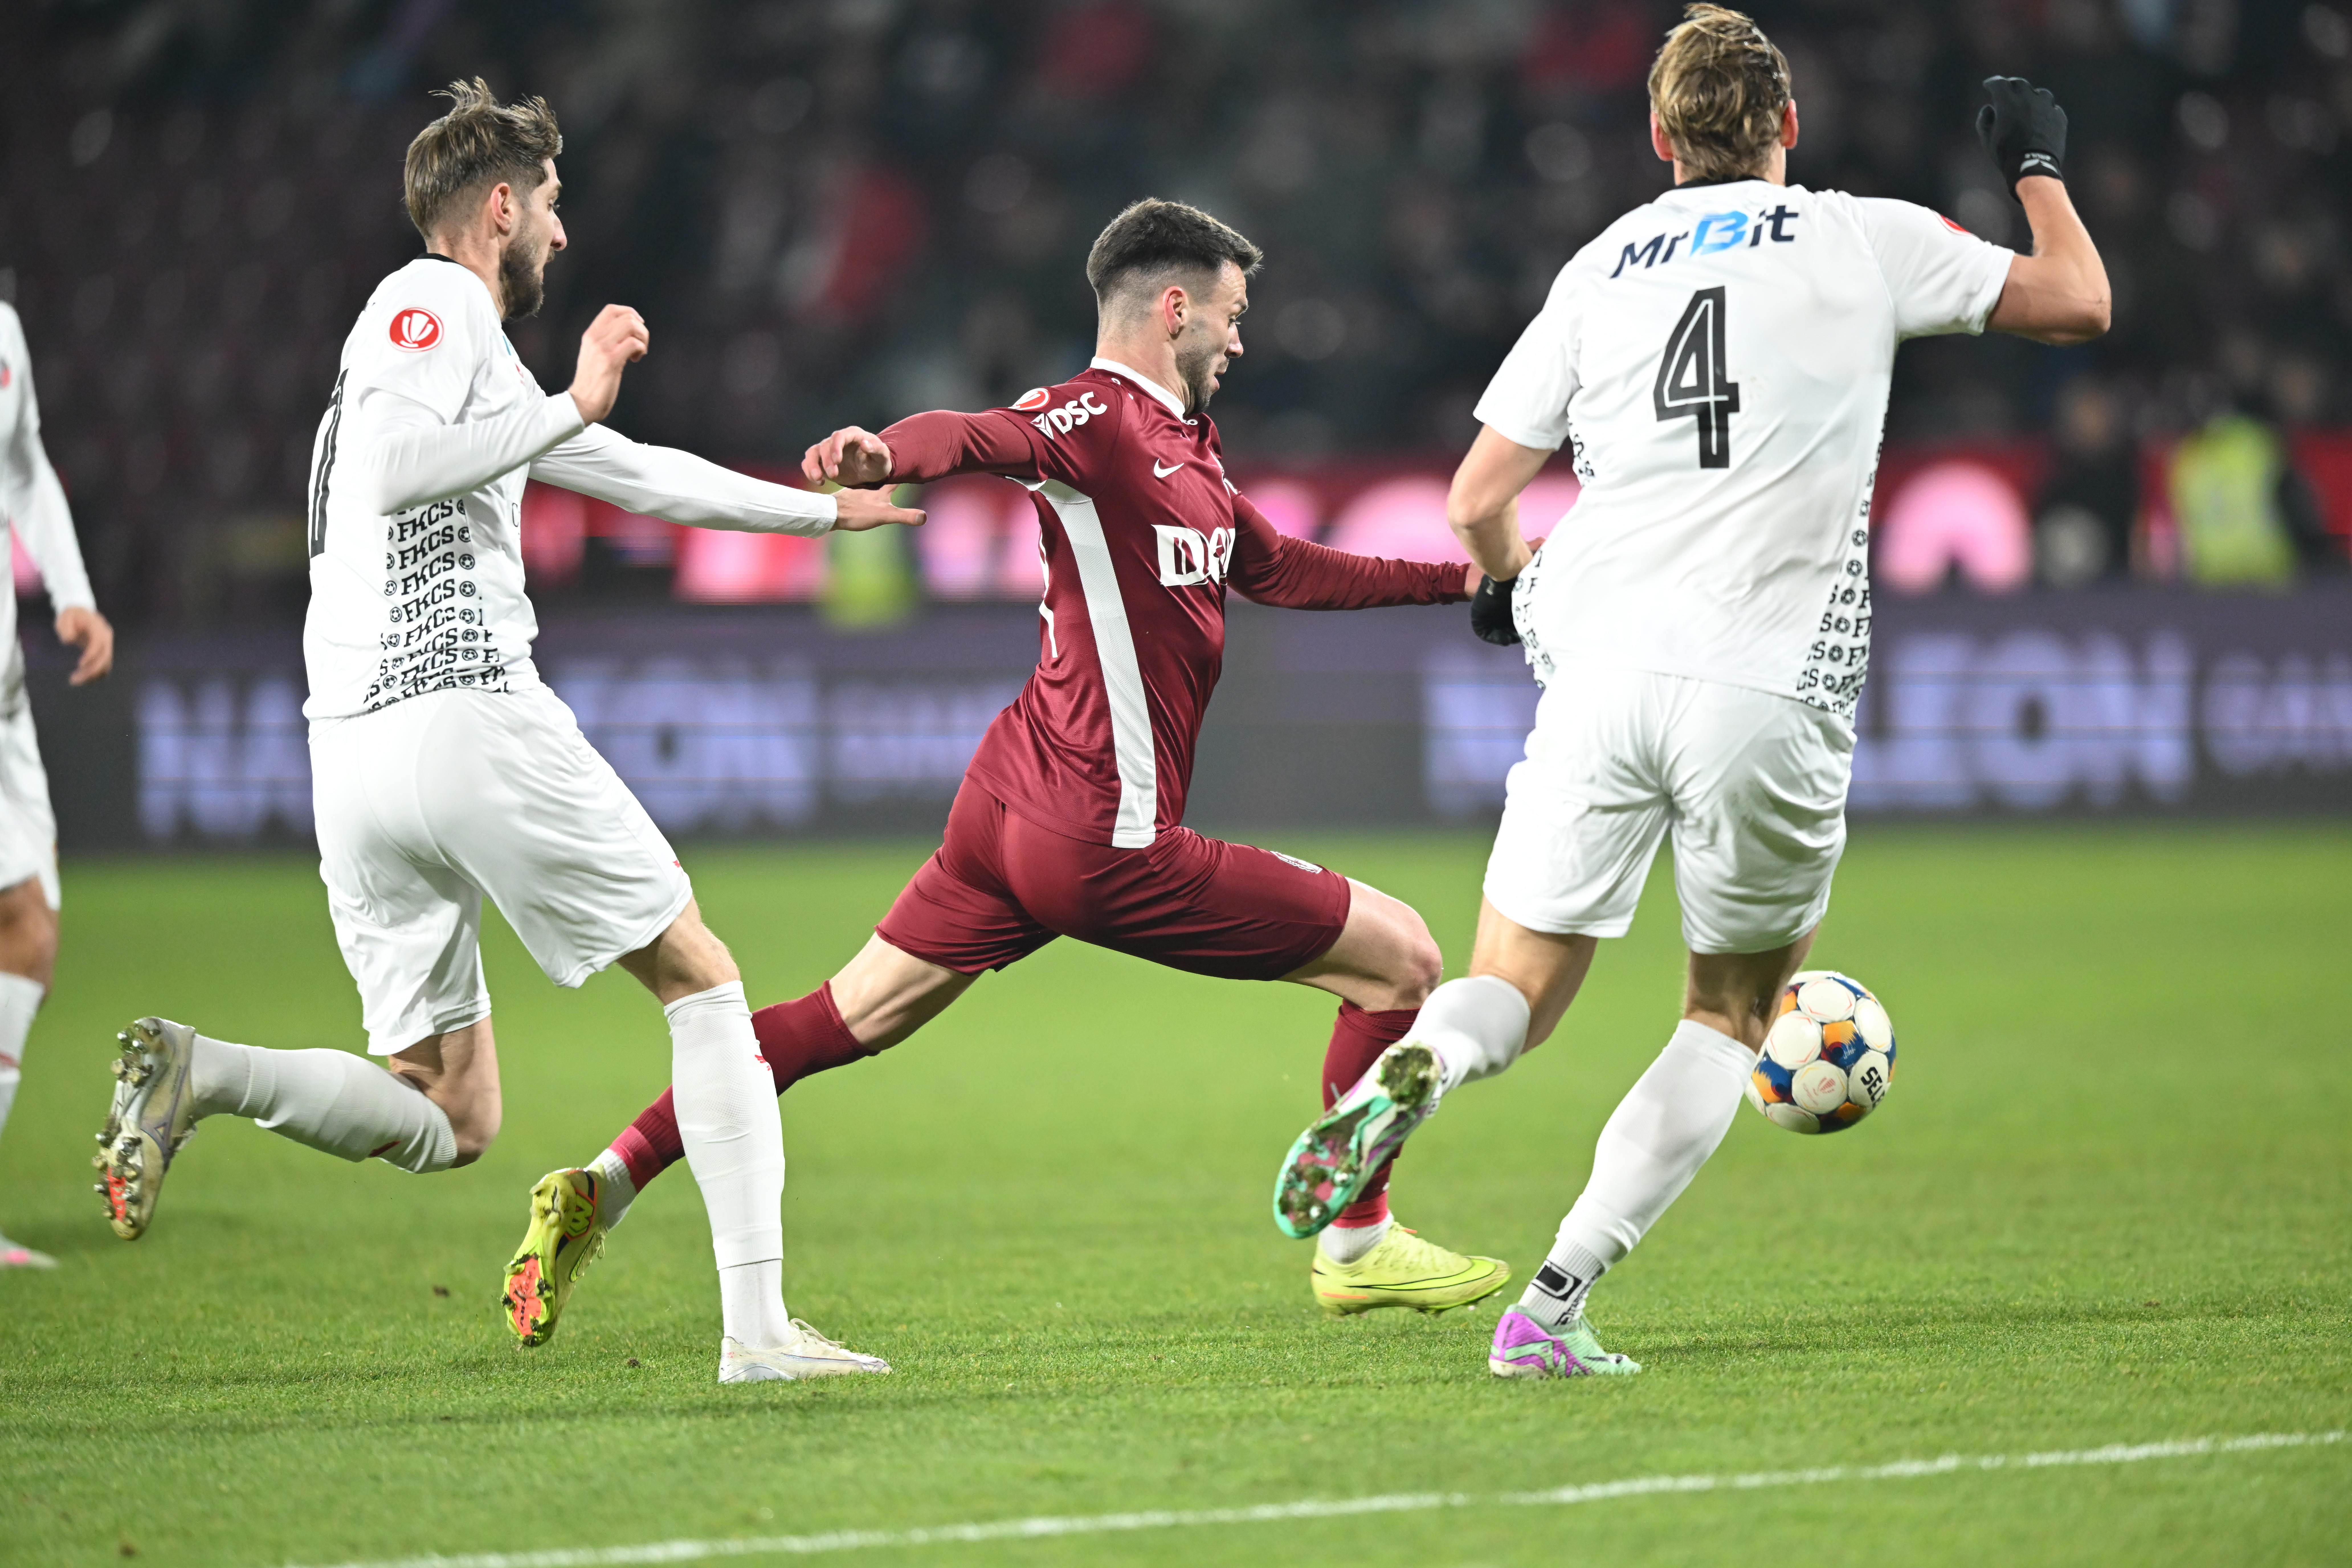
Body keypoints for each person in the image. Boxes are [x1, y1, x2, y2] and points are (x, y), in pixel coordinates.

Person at [503, 198, 1507, 1349]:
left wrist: (1463, 586)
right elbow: (983, 434)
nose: (1242, 339)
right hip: (1103, 839)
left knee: (841, 1017)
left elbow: (1284, 569)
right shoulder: (1095, 418)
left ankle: (601, 1181)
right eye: (1230, 316)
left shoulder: (1187, 450)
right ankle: (1359, 1242)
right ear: (1172, 307)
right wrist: (887, 451)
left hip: (1009, 809)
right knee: (1406, 959)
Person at [1271, 7, 2110, 1378]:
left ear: (1659, 139)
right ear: (1788, 127)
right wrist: (2035, 164)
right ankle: (1549, 1305)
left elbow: (1477, 495)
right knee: (1727, 1015)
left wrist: (1502, 583)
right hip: (1767, 686)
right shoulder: (1857, 234)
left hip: (1598, 665)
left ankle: (1413, 1072)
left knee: (1514, 991)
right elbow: (2079, 299)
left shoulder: (1600, 263)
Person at [91, 80, 922, 1384]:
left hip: (355, 757)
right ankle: (759, 1334)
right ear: (497, 209)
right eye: (549, 206)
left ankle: (207, 1073)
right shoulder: (427, 306)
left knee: (448, 1106)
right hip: (458, 706)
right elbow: (391, 469)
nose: (562, 235)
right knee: (704, 976)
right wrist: (577, 402)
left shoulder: (464, 363)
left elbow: (634, 472)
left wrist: (820, 519)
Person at [0, 300, 116, 1269]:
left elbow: (24, 462)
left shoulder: (2, 331)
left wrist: (69, 592)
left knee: (30, 930)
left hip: (6, 698)